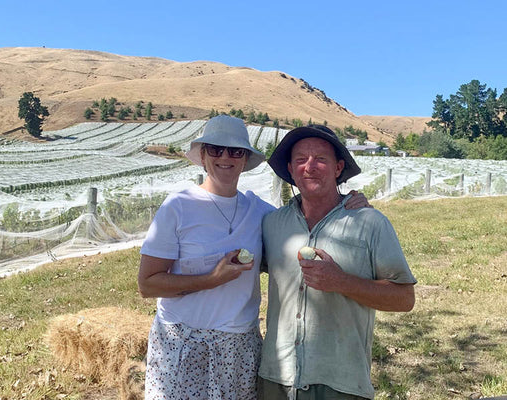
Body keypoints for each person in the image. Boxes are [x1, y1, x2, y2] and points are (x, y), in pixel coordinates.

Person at [138, 116, 369, 400]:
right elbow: (148, 284)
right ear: (202, 155)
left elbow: (302, 216)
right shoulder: (178, 207)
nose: (225, 157)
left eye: (235, 151)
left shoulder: (260, 212)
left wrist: (347, 202)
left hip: (238, 348)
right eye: (215, 149)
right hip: (183, 345)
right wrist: (211, 280)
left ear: (245, 158)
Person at [258, 124, 417, 400]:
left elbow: (404, 299)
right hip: (276, 380)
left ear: (338, 167)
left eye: (321, 159)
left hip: (341, 384)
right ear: (291, 170)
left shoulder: (370, 223)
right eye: (300, 160)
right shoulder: (271, 224)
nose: (310, 167)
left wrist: (341, 282)